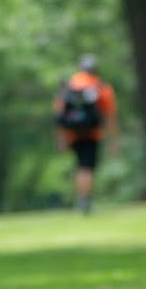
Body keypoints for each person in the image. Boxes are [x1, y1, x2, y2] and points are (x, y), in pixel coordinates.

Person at [53, 53, 118, 214]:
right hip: (92, 133)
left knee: (80, 166)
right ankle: (85, 200)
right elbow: (110, 115)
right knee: (87, 167)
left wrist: (61, 138)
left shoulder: (70, 86)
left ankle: (81, 199)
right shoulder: (100, 87)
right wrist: (113, 140)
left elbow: (59, 114)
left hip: (72, 133)